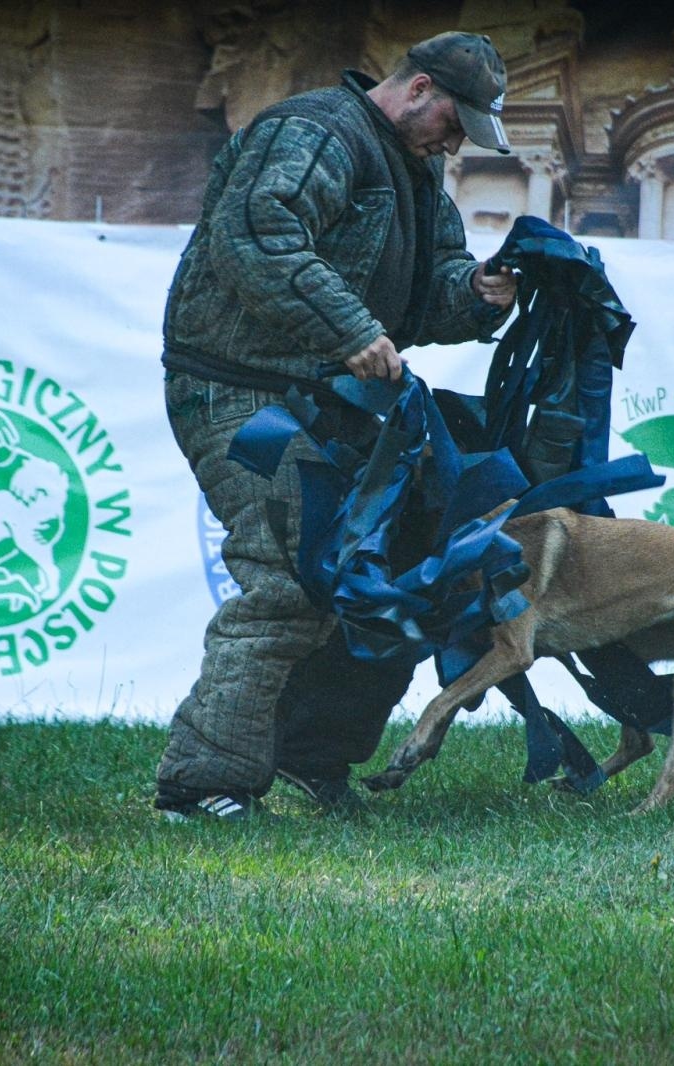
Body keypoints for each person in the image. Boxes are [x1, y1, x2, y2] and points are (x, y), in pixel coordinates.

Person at [155, 32, 520, 820]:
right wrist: (348, 329)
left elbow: (430, 291)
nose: (456, 144)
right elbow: (258, 235)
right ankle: (202, 783)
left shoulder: (415, 167)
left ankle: (309, 760)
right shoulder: (315, 131)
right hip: (241, 393)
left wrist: (478, 292)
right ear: (418, 89)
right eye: (455, 123)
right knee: (289, 574)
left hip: (329, 399)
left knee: (395, 574)